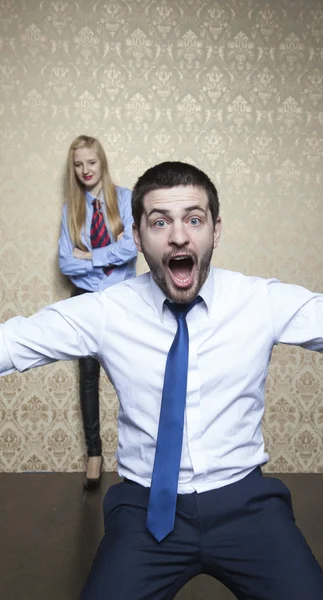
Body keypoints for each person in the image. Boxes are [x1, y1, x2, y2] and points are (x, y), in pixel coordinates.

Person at [1, 161, 323, 600]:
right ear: (136, 236)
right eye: (159, 222)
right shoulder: (106, 311)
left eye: (194, 219)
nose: (178, 236)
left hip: (245, 504)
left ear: (215, 229)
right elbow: (16, 341)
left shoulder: (259, 300)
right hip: (144, 508)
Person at [58, 134, 137, 490]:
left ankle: (137, 455)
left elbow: (131, 248)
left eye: (91, 162)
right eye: (78, 164)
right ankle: (94, 453)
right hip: (85, 299)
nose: (85, 170)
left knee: (132, 373)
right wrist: (100, 262)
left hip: (122, 298)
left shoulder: (125, 200)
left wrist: (90, 256)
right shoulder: (70, 211)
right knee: (88, 377)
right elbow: (64, 263)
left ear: (101, 161)